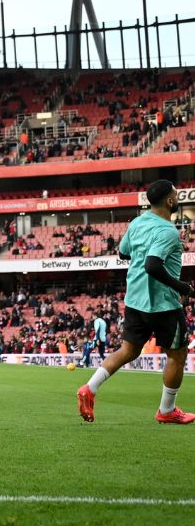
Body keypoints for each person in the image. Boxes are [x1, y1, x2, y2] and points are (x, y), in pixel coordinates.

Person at [78, 180, 192, 424]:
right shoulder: (167, 231)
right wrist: (181, 287)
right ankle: (167, 410)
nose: (177, 199)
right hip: (163, 304)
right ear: (170, 201)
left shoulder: (137, 222)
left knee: (129, 350)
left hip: (134, 299)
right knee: (177, 353)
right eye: (176, 195)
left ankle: (90, 388)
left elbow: (123, 252)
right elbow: (152, 265)